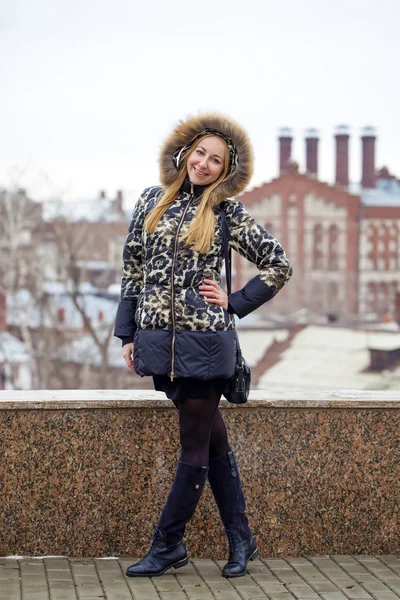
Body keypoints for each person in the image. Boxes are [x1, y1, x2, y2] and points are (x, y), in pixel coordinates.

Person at [114, 112, 293, 578]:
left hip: (207, 345)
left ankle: (167, 544)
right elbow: (133, 269)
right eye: (200, 153)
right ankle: (242, 538)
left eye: (216, 160)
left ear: (225, 170)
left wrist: (233, 302)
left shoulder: (226, 212)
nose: (205, 164)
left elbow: (278, 264)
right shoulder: (151, 201)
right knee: (212, 443)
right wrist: (126, 333)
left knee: (193, 448)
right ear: (185, 153)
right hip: (158, 342)